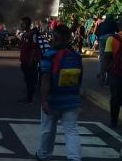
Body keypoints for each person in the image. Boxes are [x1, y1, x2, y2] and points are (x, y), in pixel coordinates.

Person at [36, 24, 83, 161]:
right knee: (71, 130)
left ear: (55, 37)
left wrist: (44, 100)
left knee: (48, 129)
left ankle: (44, 155)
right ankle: (74, 158)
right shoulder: (76, 55)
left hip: (52, 100)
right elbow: (80, 78)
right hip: (72, 100)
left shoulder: (49, 55)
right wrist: (77, 97)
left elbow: (45, 80)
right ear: (69, 38)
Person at [101, 15, 122, 129]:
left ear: (118, 26)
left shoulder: (112, 39)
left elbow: (106, 57)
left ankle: (114, 121)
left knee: (115, 98)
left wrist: (102, 72)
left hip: (116, 73)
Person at [19, 16, 42, 104]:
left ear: (27, 24)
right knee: (27, 79)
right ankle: (28, 97)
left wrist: (31, 60)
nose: (21, 25)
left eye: (23, 23)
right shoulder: (24, 34)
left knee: (30, 80)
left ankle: (30, 99)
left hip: (30, 62)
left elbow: (34, 48)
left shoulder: (33, 34)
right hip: (24, 61)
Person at [98, 14, 118, 84]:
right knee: (111, 58)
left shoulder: (102, 24)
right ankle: (108, 78)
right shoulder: (114, 22)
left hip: (101, 40)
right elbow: (118, 31)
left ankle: (101, 75)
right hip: (110, 38)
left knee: (102, 58)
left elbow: (98, 32)